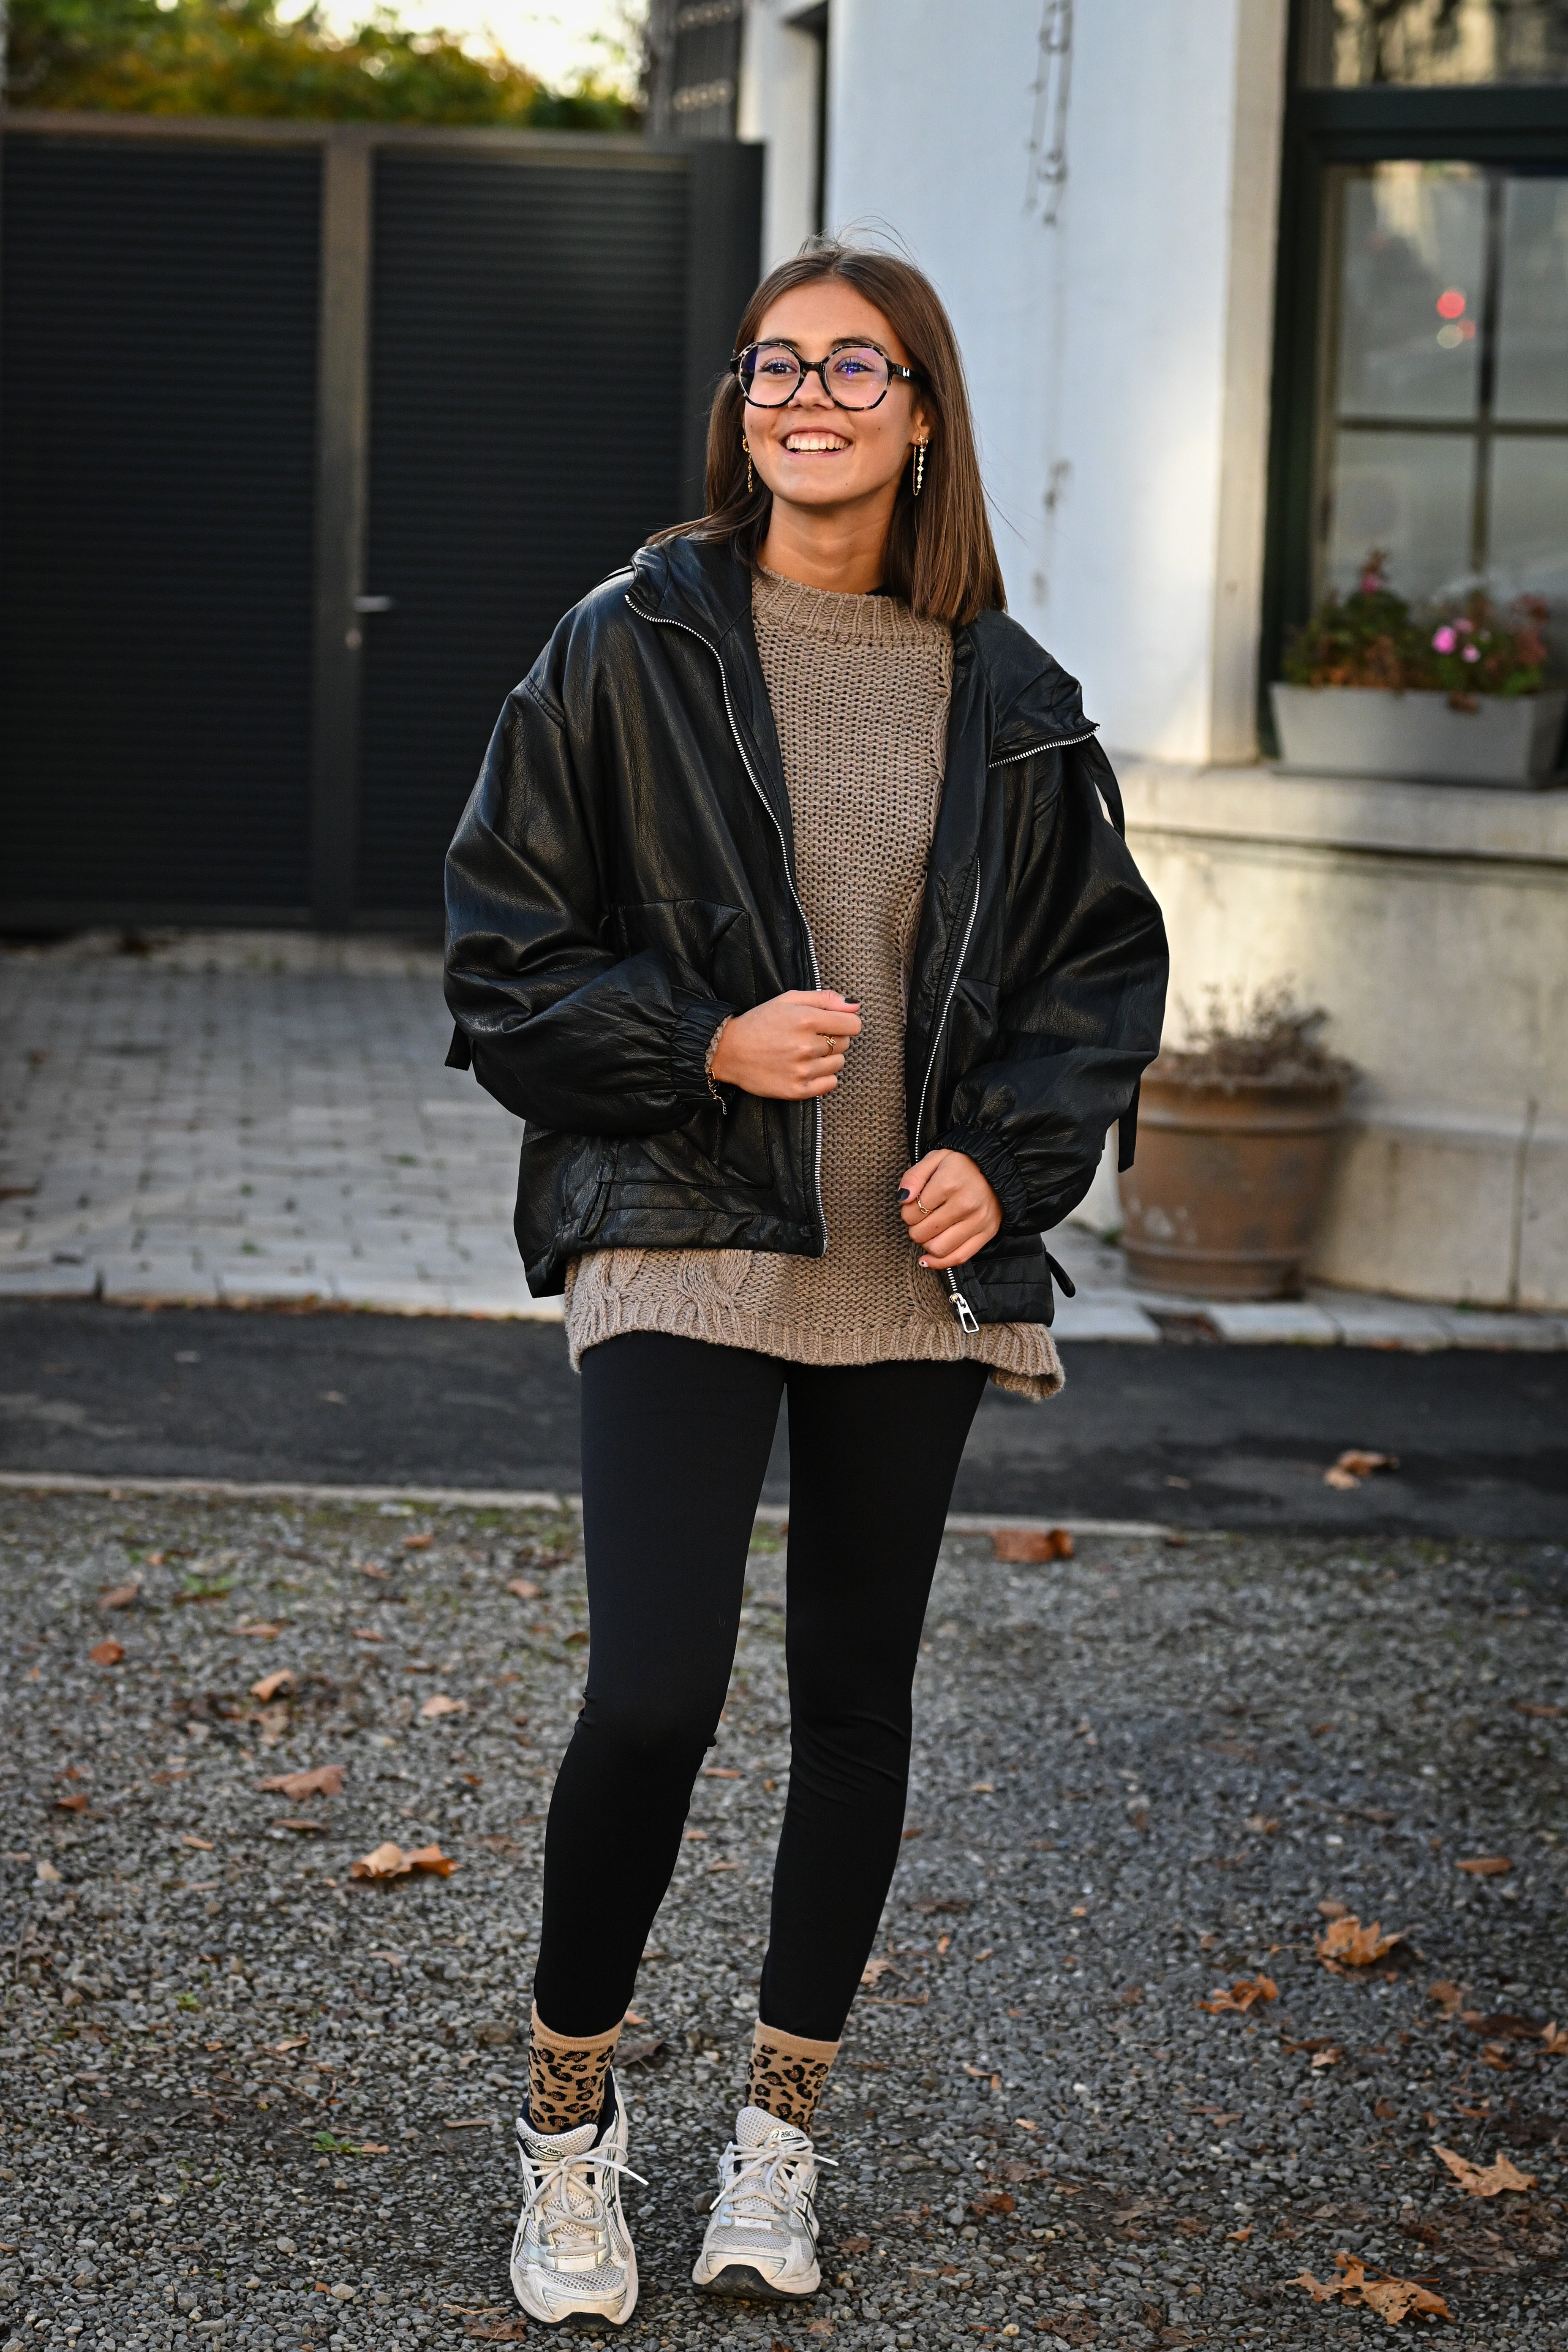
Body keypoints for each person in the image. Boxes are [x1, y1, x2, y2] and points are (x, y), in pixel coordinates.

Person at [444, 236, 1168, 2330]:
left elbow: (1094, 983)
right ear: (738, 410)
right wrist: (704, 1042)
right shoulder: (625, 644)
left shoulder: (1013, 696)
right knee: (654, 1692)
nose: (809, 397)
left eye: (857, 368)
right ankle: (567, 2129)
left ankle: (778, 2137)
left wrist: (1002, 1163)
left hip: (902, 1271)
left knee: (854, 1701)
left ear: (921, 417)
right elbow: (503, 959)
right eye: (776, 365)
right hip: (678, 1221)